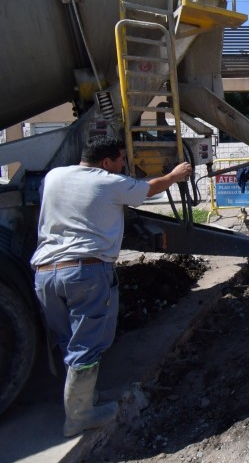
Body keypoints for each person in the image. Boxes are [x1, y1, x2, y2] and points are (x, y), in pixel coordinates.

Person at [31, 135, 193, 437]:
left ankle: (83, 401)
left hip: (45, 273)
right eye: (121, 161)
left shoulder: (54, 177)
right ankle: (79, 416)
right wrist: (174, 175)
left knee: (68, 340)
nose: (123, 167)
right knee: (88, 343)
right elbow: (149, 189)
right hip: (85, 273)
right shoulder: (108, 181)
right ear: (106, 162)